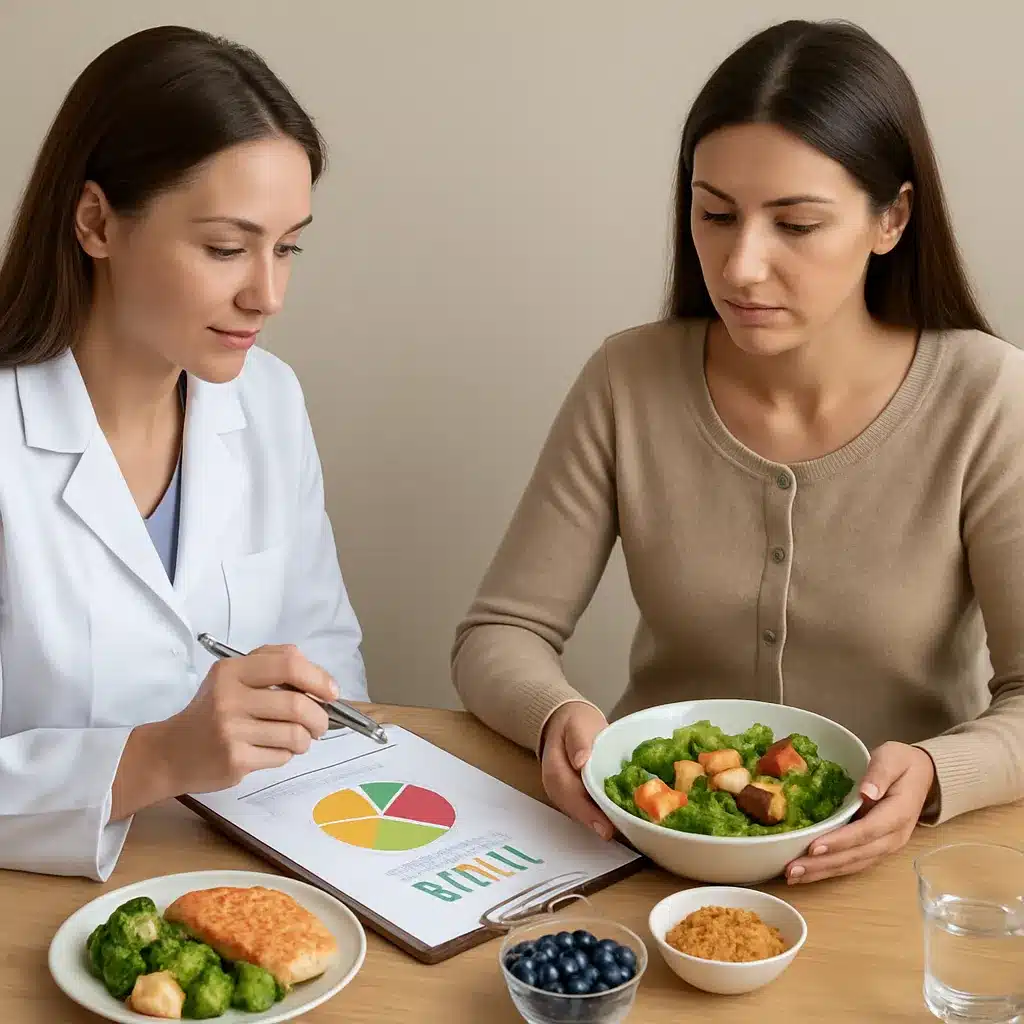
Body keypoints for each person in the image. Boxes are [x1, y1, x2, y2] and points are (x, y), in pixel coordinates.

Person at [452, 18, 1024, 886]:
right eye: (714, 214)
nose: (742, 265)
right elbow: (500, 633)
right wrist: (555, 714)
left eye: (795, 224)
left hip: (893, 869)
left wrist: (943, 775)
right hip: (649, 857)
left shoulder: (986, 398)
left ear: (892, 219)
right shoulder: (628, 378)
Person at [0, 26, 369, 880]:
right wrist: (160, 758)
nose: (267, 294)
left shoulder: (267, 399)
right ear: (96, 220)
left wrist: (310, 710)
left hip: (247, 873)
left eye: (288, 247)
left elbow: (328, 653)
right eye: (226, 248)